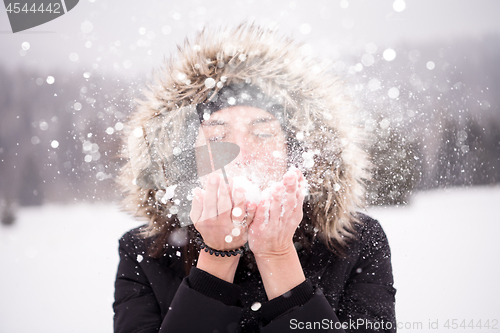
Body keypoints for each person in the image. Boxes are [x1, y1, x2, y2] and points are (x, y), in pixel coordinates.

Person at [113, 24, 396, 333]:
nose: (240, 153)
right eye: (217, 136)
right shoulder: (147, 252)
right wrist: (217, 257)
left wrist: (278, 257)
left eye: (262, 134)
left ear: (295, 151)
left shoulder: (354, 242)